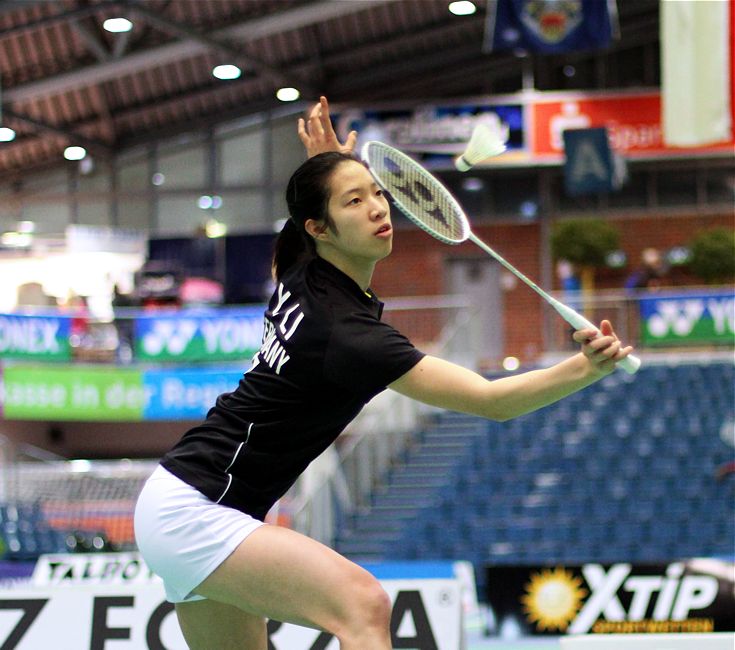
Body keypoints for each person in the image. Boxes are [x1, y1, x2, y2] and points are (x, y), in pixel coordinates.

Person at [134, 96, 634, 649]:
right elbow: (493, 401)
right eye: (355, 201)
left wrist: (326, 166)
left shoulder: (301, 269)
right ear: (320, 228)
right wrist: (585, 368)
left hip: (187, 500)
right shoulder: (350, 336)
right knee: (364, 605)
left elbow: (302, 229)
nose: (378, 208)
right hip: (197, 509)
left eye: (377, 193)